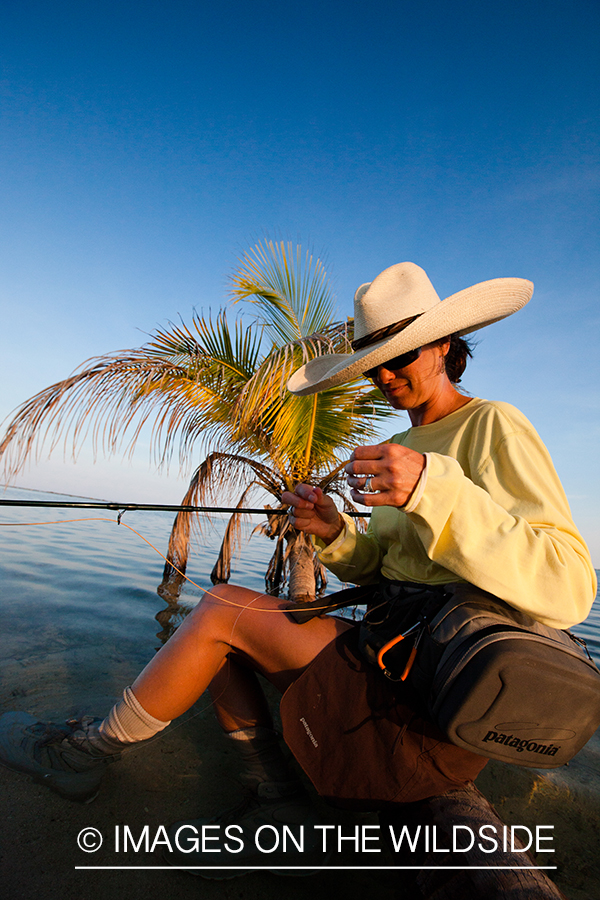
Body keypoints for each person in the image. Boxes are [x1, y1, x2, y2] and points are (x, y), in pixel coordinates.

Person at [0, 263, 595, 891]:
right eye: (374, 364)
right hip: (393, 655)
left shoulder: (492, 425)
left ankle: (86, 755)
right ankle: (272, 790)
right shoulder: (407, 440)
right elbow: (393, 570)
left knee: (222, 610)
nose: (386, 376)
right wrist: (333, 530)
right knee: (225, 630)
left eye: (403, 356)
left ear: (445, 344)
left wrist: (432, 487)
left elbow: (569, 586)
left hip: (435, 689)